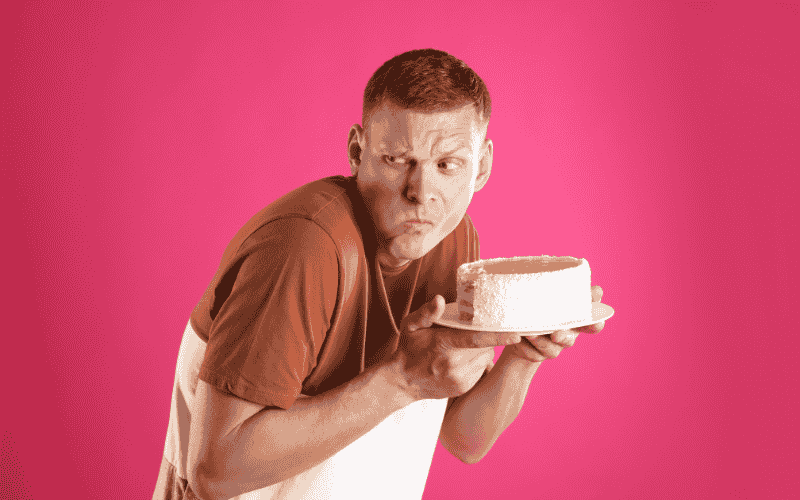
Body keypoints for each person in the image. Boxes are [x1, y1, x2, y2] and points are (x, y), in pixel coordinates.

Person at [152, 48, 606, 500]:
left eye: (447, 165)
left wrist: (522, 357)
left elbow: (463, 437)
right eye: (397, 159)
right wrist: (402, 378)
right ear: (357, 150)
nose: (421, 192)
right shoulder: (303, 246)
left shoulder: (453, 237)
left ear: (481, 166)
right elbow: (216, 471)